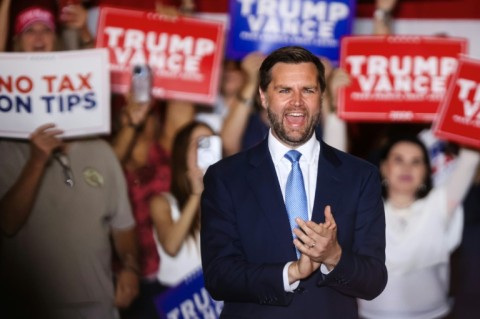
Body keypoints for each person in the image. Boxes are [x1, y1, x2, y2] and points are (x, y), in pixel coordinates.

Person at [200, 46, 388, 318]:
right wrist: (291, 273)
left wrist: (334, 256)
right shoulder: (225, 177)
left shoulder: (360, 176)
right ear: (263, 97)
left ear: (321, 97)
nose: (297, 102)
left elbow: (373, 281)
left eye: (308, 90)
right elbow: (219, 278)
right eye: (284, 90)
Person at [0, 124, 140, 319]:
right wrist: (36, 161)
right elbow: (8, 223)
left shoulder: (101, 150)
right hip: (33, 309)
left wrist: (130, 266)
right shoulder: (7, 150)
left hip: (98, 306)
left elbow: (123, 226)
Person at [358, 136, 480, 319]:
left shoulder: (438, 205)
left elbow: (469, 161)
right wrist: (335, 116)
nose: (407, 168)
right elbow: (331, 165)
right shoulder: (363, 209)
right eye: (398, 159)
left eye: (416, 162)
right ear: (384, 167)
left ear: (425, 172)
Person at [151, 121, 217, 287]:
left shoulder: (223, 200)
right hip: (177, 301)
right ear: (183, 152)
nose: (206, 150)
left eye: (211, 143)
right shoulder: (162, 202)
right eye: (200, 143)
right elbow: (171, 246)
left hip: (212, 299)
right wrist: (196, 195)